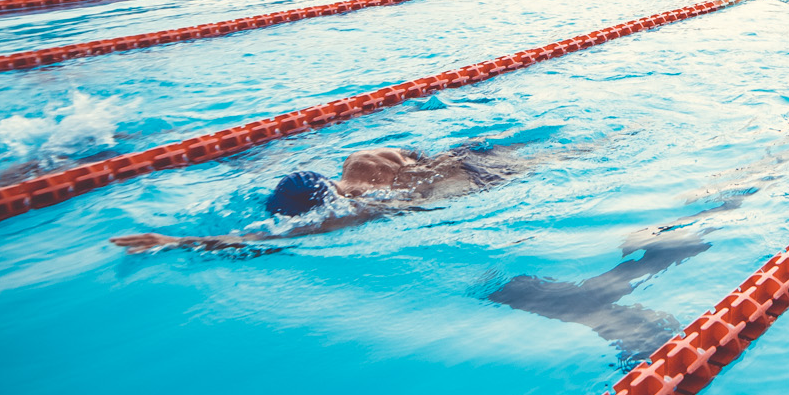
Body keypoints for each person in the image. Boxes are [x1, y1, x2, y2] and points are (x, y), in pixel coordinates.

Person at [109, 142, 532, 254]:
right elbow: (418, 154)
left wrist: (176, 242)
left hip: (473, 178)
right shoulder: (362, 160)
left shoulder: (356, 210)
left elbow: (262, 241)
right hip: (458, 156)